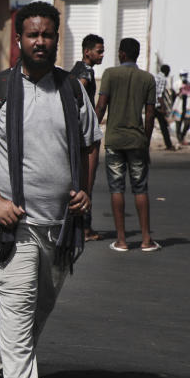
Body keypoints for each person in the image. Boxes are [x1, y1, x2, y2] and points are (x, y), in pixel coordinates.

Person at [0, 2, 101, 378]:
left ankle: (9, 358)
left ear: (58, 39)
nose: (40, 42)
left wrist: (85, 192)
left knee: (43, 303)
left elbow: (91, 143)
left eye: (48, 35)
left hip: (58, 223)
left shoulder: (72, 90)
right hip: (6, 221)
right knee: (19, 302)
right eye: (32, 35)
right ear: (18, 39)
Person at [95, 38, 158, 252]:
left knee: (116, 188)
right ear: (137, 55)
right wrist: (145, 141)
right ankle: (146, 239)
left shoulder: (110, 75)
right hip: (137, 141)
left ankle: (121, 240)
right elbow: (150, 115)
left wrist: (92, 130)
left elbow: (102, 106)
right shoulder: (148, 79)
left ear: (121, 54)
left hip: (114, 140)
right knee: (140, 188)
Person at [69, 34, 105, 240]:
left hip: (78, 134)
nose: (101, 55)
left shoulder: (74, 70)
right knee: (87, 183)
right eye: (99, 51)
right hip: (86, 137)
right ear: (87, 52)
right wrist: (89, 122)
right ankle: (84, 229)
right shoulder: (86, 73)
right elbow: (77, 94)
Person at [153, 64, 176, 150]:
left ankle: (143, 146)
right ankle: (169, 145)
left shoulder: (155, 76)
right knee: (163, 126)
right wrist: (163, 107)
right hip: (157, 106)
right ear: (166, 71)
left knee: (149, 125)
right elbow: (160, 94)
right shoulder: (163, 79)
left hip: (151, 104)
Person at [172, 71, 190, 145]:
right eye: (183, 75)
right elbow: (176, 93)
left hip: (187, 106)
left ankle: (182, 136)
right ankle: (180, 139)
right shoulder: (176, 83)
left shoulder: (189, 83)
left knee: (187, 123)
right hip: (179, 105)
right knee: (178, 124)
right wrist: (181, 90)